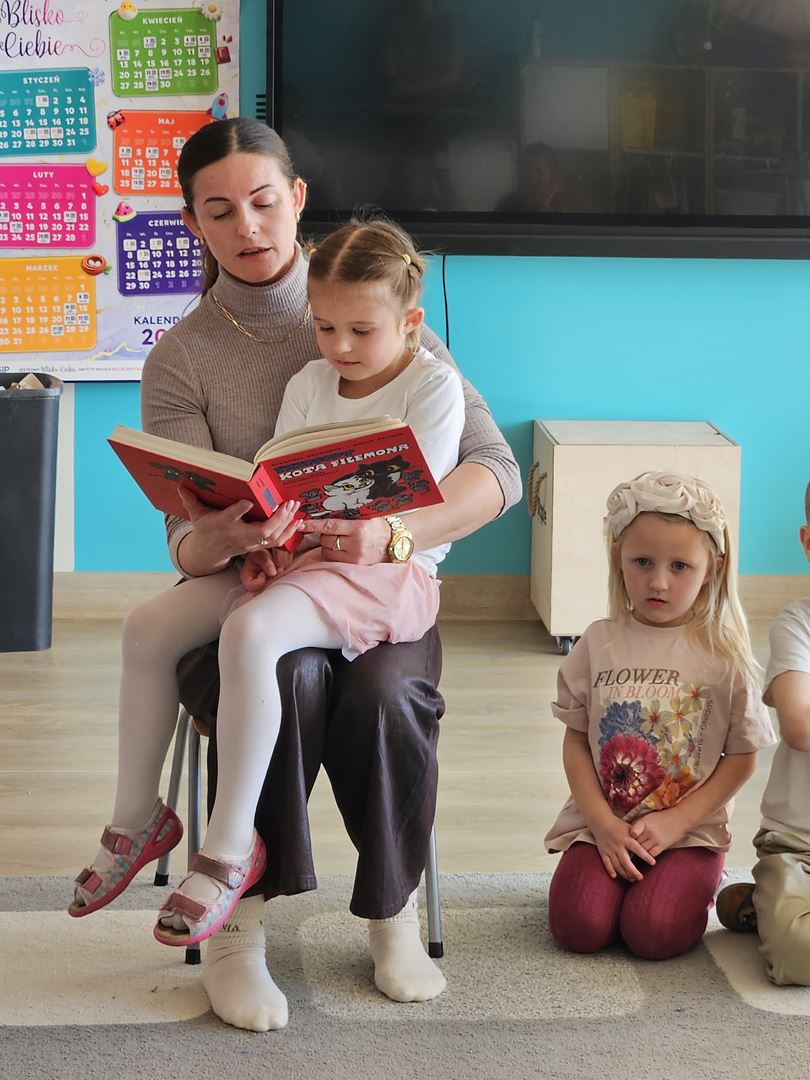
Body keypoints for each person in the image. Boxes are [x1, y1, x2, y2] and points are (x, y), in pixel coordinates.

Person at [70, 117, 521, 1031]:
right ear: (193, 222)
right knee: (280, 668)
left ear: (297, 198)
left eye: (264, 201)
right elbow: (182, 537)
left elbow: (495, 471)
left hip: (375, 578)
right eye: (219, 210)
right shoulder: (183, 358)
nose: (247, 227)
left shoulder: (372, 299)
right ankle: (236, 929)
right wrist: (225, 536)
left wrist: (392, 539)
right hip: (260, 575)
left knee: (383, 695)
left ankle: (390, 910)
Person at [544, 470, 775, 960]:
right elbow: (576, 742)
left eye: (680, 566)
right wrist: (601, 824)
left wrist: (676, 822)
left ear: (711, 569)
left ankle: (688, 886)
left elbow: (742, 758)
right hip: (605, 822)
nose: (659, 582)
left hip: (688, 832)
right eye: (643, 562)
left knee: (654, 934)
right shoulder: (597, 642)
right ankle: (617, 887)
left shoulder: (725, 657)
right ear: (618, 558)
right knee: (578, 929)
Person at [715, 481, 810, 984]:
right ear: (809, 543)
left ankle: (768, 907)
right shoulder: (799, 625)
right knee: (800, 955)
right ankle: (775, 904)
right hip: (800, 845)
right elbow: (800, 725)